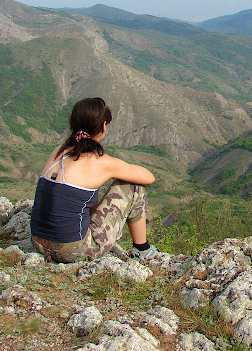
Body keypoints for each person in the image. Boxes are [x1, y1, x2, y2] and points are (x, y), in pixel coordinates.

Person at [30, 97, 158, 263]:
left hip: (38, 243)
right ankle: (143, 250)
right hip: (71, 251)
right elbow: (148, 178)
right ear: (103, 126)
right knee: (134, 187)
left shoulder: (58, 153)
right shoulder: (100, 162)